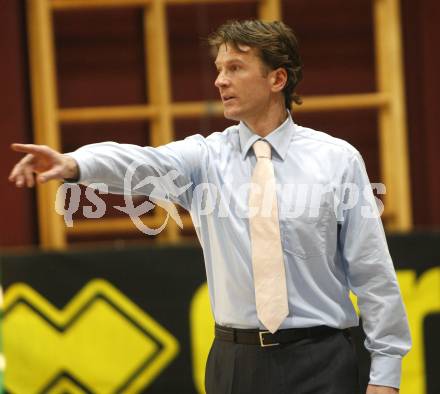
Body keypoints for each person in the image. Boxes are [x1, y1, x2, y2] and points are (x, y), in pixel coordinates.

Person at [9, 20, 410, 394]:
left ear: (278, 78)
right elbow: (140, 161)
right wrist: (73, 164)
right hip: (234, 365)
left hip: (322, 361)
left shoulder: (337, 160)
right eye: (219, 68)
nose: (220, 80)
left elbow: (372, 271)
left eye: (235, 68)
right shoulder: (204, 158)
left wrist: (386, 373)